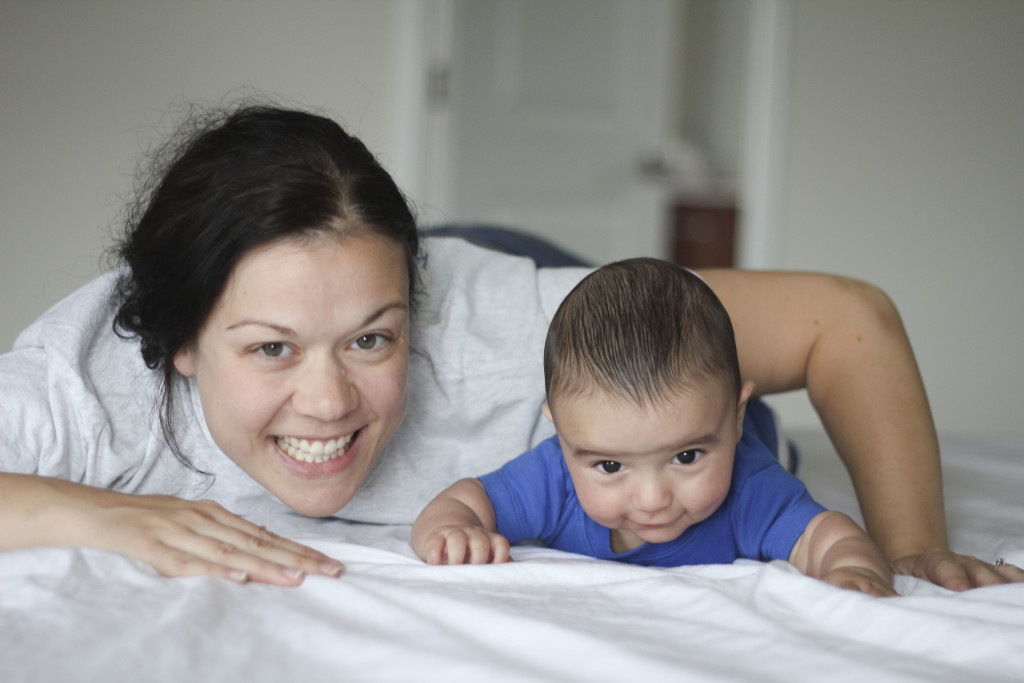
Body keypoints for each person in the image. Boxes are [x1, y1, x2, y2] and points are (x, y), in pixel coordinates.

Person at [0, 101, 1018, 590]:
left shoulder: (500, 330)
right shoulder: (86, 388)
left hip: (505, 274)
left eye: (370, 339)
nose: (328, 402)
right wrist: (84, 508)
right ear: (180, 341)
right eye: (270, 349)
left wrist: (911, 545)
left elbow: (845, 317)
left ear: (411, 314)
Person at [411, 259, 895, 596]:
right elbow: (465, 501)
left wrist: (852, 567)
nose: (651, 499)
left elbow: (822, 536)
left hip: (761, 434)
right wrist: (453, 530)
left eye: (686, 457)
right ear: (561, 434)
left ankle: (759, 423)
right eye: (610, 466)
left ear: (734, 416)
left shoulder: (750, 487)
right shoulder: (552, 477)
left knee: (773, 448)